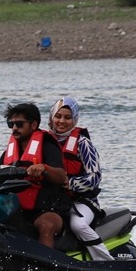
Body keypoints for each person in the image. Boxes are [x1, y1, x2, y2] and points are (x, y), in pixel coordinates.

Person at [0, 103, 69, 249]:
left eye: (19, 124)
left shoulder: (47, 146)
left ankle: (45, 268)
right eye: (10, 124)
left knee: (46, 225)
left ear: (33, 124)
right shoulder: (10, 151)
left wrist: (44, 168)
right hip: (17, 207)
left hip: (49, 207)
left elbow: (61, 176)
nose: (14, 128)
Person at [48, 97, 113, 261]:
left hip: (83, 202)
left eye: (67, 117)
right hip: (54, 201)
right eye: (58, 116)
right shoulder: (45, 141)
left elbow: (95, 177)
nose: (62, 121)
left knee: (78, 225)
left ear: (74, 120)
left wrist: (70, 183)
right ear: (51, 117)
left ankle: (105, 261)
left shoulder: (83, 143)